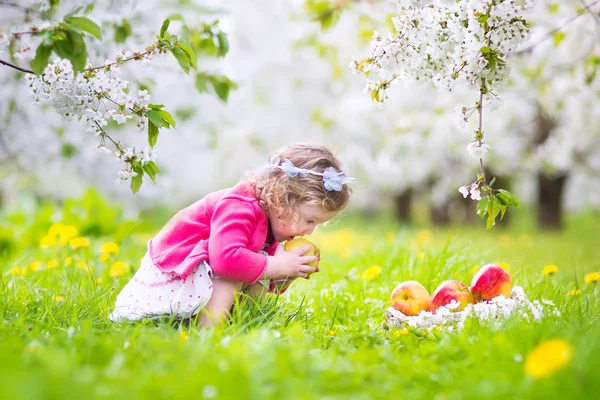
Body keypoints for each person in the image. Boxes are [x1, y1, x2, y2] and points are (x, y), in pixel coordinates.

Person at [109, 143, 353, 327]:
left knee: (257, 271)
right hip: (174, 270)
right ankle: (208, 334)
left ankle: (240, 323)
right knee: (236, 271)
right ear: (281, 197)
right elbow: (226, 262)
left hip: (201, 271)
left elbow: (262, 272)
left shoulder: (272, 215)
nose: (309, 231)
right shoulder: (240, 206)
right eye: (309, 220)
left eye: (317, 224)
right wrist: (276, 265)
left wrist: (288, 271)